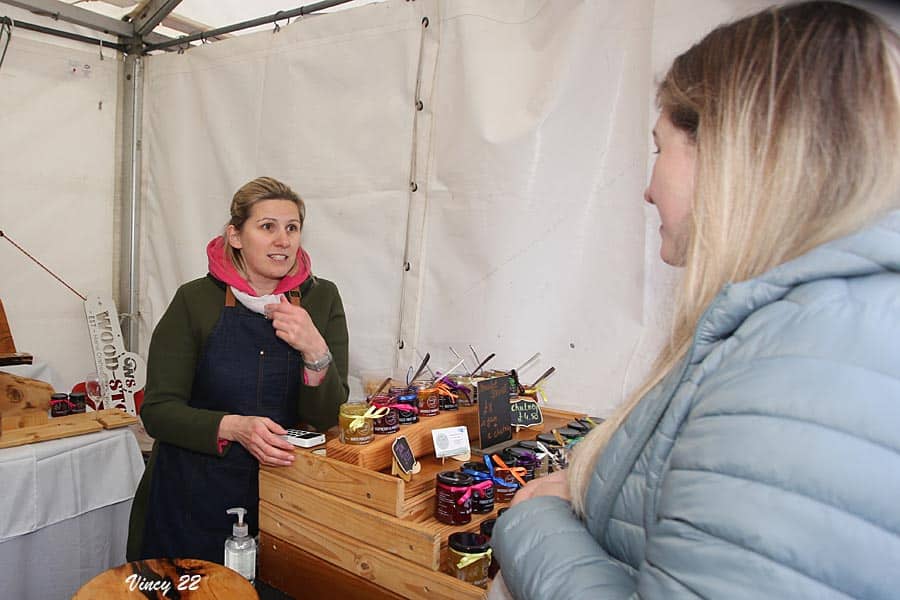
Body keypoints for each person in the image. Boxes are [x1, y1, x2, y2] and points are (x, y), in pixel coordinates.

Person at [491, 2, 900, 598]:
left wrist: (533, 521)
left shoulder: (793, 376)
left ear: (738, 152)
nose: (649, 189)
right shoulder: (808, 337)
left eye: (661, 148)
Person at [127, 176, 349, 563]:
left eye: (292, 228)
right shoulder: (195, 301)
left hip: (282, 497)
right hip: (192, 497)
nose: (284, 240)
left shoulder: (321, 297)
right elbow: (158, 411)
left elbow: (328, 418)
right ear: (235, 236)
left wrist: (315, 351)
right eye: (267, 227)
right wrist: (233, 427)